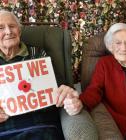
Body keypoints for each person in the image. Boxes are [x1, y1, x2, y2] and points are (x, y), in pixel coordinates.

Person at [0, 9, 85, 140]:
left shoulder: (38, 54)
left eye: (12, 26)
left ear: (19, 30)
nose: (8, 31)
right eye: (1, 28)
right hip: (5, 130)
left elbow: (62, 87)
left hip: (41, 127)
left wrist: (71, 97)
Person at [64, 23, 126, 140]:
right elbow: (95, 89)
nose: (123, 48)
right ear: (111, 46)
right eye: (118, 43)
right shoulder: (105, 64)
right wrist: (80, 101)